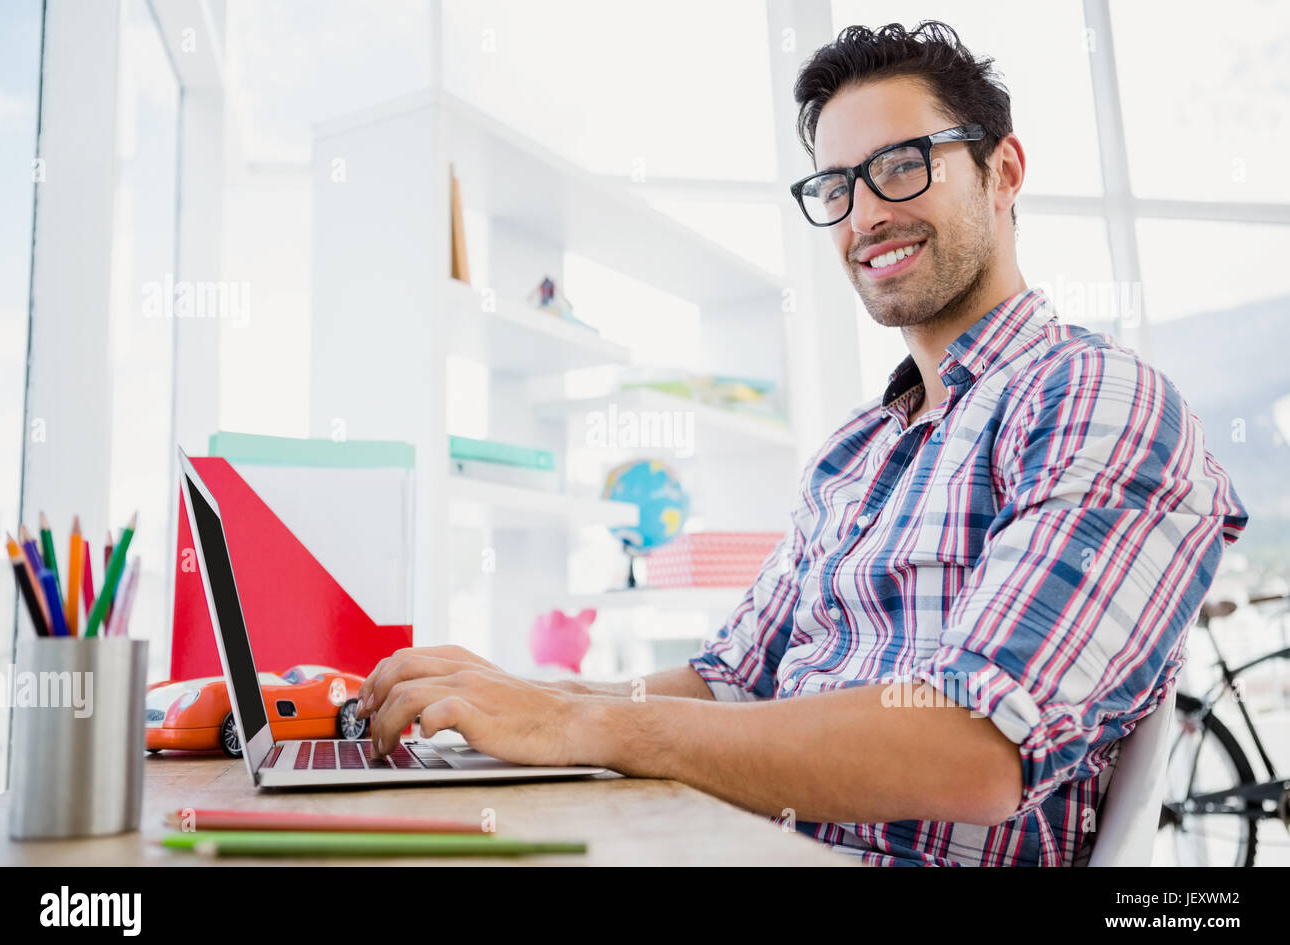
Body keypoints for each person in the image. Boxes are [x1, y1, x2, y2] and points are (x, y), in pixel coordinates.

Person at [356, 20, 1249, 866]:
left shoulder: (1091, 397)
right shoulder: (857, 448)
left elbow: (973, 745)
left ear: (1003, 170)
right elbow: (730, 682)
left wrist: (580, 727)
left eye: (902, 166)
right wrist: (516, 695)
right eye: (837, 187)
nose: (865, 216)